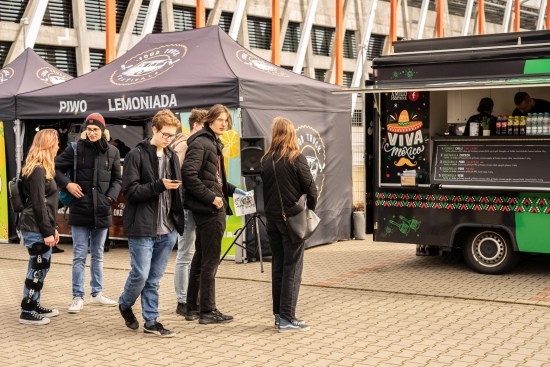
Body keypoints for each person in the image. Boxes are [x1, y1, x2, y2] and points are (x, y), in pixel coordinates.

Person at [118, 109, 185, 337]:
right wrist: (159, 185)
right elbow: (131, 192)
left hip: (167, 229)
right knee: (141, 274)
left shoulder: (172, 156)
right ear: (154, 129)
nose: (168, 139)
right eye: (165, 134)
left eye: (172, 136)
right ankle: (125, 304)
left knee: (154, 279)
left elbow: (177, 190)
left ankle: (151, 321)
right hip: (142, 228)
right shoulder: (136, 155)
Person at [182, 104, 245, 324]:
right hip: (209, 209)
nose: (224, 123)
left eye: (226, 120)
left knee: (200, 259)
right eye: (220, 119)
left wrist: (233, 190)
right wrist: (212, 198)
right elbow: (189, 175)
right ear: (209, 120)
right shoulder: (202, 143)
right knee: (210, 261)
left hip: (211, 207)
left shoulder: (211, 142)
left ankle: (193, 308)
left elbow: (213, 179)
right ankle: (208, 311)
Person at [55, 113, 122, 314]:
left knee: (98, 254)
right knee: (79, 255)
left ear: (103, 131)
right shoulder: (75, 149)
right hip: (80, 208)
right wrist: (68, 184)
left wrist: (109, 198)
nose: (92, 133)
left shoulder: (113, 151)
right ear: (85, 130)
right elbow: (54, 168)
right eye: (89, 129)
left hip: (101, 209)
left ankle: (97, 294)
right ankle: (77, 296)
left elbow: (117, 180)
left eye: (96, 129)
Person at [260, 117, 317, 332]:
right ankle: (287, 317)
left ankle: (278, 315)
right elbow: (311, 190)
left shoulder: (266, 159)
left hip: (272, 221)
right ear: (291, 133)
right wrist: (309, 210)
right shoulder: (296, 158)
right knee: (292, 269)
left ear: (274, 133)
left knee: (278, 267)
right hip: (291, 221)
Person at [19, 129, 60, 325]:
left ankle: (34, 303)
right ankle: (27, 310)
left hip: (40, 226)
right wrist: (46, 232)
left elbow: (47, 205)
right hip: (35, 227)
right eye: (56, 142)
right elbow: (38, 204)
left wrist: (53, 228)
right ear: (48, 145)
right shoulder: (37, 170)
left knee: (40, 267)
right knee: (37, 268)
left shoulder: (41, 169)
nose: (59, 146)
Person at [171, 108, 207, 317]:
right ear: (196, 125)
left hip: (193, 204)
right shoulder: (186, 144)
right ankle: (182, 299)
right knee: (186, 253)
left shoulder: (193, 143)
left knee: (190, 253)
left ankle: (190, 297)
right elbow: (182, 175)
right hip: (186, 204)